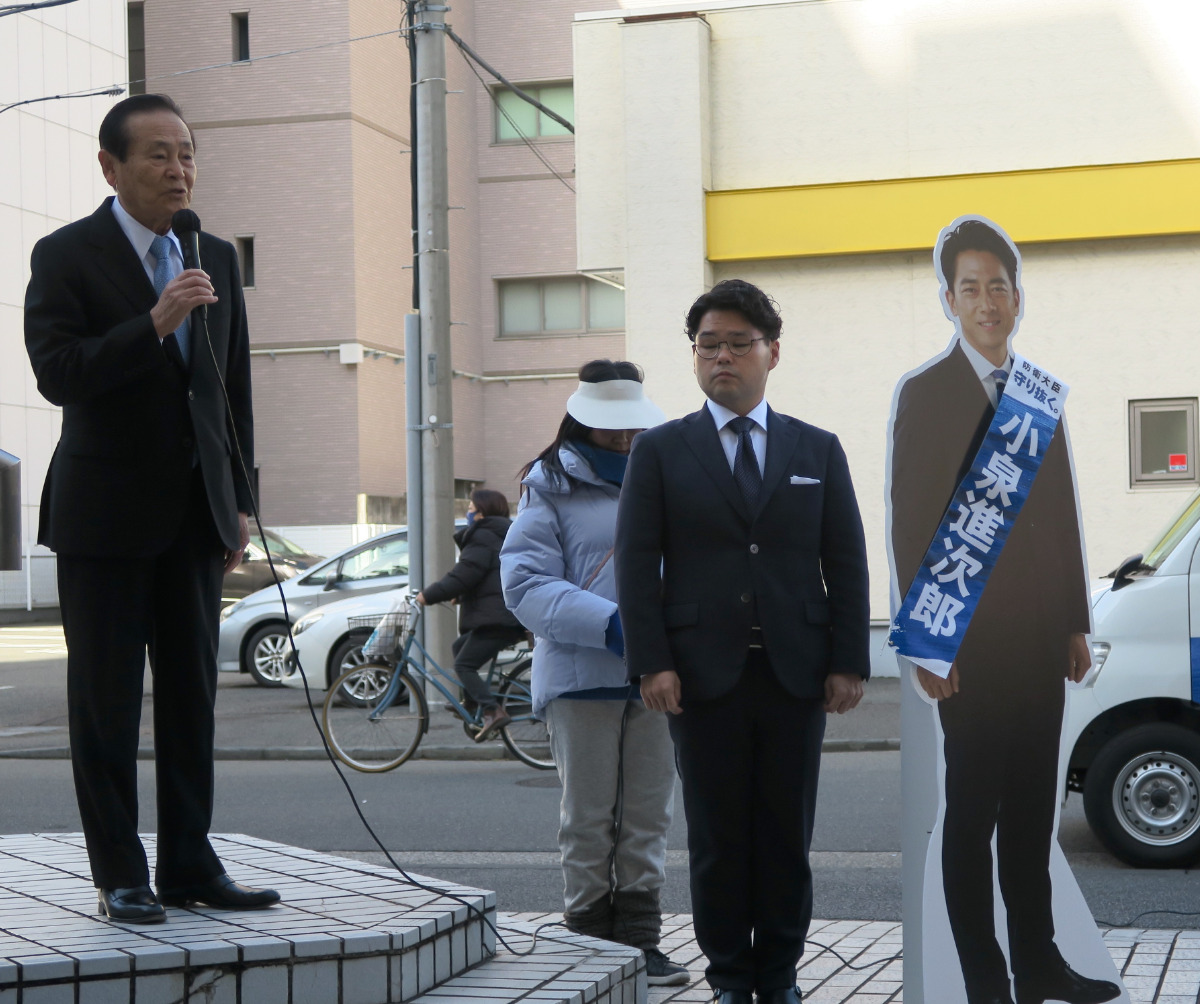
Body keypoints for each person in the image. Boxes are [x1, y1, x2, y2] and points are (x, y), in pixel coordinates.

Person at [24, 94, 278, 923]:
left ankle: (191, 866)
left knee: (191, 697)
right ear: (111, 166)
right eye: (159, 155)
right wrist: (153, 321)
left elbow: (230, 389)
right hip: (102, 516)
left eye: (188, 154)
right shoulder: (65, 254)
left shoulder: (213, 255)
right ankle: (120, 874)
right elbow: (58, 373)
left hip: (195, 515)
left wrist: (238, 500)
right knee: (104, 702)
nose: (179, 170)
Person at [615, 280, 870, 1004]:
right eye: (708, 344)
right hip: (700, 677)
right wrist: (652, 661)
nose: (721, 356)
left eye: (737, 343)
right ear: (694, 356)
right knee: (718, 838)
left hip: (798, 674)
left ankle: (780, 976)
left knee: (786, 836)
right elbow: (637, 564)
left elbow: (845, 560)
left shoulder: (816, 448)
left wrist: (850, 659)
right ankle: (730, 976)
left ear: (772, 353)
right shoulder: (661, 451)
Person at [887, 218, 1118, 1004]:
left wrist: (1073, 620)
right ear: (948, 299)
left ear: (1019, 296)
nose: (988, 300)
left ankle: (1039, 964)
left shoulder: (1036, 395)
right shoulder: (925, 392)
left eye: (1000, 285)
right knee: (973, 812)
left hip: (1036, 643)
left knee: (1030, 812)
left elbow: (1060, 514)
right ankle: (983, 978)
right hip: (968, 644)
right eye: (972, 287)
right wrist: (929, 642)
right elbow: (911, 521)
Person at [500, 360, 688, 987]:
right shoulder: (546, 485)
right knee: (587, 818)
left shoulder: (666, 473)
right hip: (583, 676)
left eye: (633, 425)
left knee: (647, 818)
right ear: (582, 419)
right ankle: (587, 939)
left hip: (657, 674)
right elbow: (523, 583)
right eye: (613, 426)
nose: (626, 437)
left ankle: (640, 941)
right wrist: (614, 624)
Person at [416, 488, 526, 741]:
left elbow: (464, 574)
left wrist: (427, 595)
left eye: (470, 508)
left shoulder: (483, 536)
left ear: (481, 513)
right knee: (459, 647)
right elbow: (487, 576)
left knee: (464, 665)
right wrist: (462, 595)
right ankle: (473, 702)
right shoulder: (500, 533)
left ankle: (492, 710)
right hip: (503, 615)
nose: (467, 513)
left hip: (498, 620)